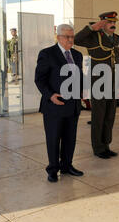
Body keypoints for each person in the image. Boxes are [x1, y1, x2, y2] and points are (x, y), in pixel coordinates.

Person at [35, 24, 84, 183]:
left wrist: (81, 92)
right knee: (54, 139)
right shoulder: (47, 54)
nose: (70, 40)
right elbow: (39, 79)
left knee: (70, 138)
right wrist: (50, 96)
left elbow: (79, 77)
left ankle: (67, 166)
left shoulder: (77, 55)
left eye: (72, 37)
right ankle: (53, 169)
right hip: (54, 105)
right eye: (67, 37)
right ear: (58, 37)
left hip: (73, 105)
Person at [74, 12, 119, 159]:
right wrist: (92, 28)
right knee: (99, 116)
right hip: (99, 82)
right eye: (109, 22)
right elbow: (76, 39)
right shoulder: (93, 37)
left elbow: (118, 59)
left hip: (113, 83)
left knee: (110, 116)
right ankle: (98, 148)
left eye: (114, 21)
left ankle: (106, 145)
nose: (113, 24)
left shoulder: (117, 39)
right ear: (102, 23)